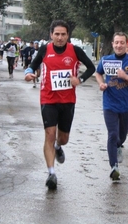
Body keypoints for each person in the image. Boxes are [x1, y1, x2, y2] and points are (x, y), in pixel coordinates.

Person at [24, 20, 95, 190]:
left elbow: (91, 68)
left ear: (68, 35)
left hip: (67, 100)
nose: (60, 37)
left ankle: (58, 146)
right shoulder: (44, 50)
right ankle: (51, 173)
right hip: (48, 98)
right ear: (51, 35)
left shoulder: (75, 51)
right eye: (57, 34)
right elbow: (32, 66)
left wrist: (80, 79)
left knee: (63, 138)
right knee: (49, 133)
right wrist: (28, 74)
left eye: (63, 34)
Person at [95, 32, 128, 181]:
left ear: (125, 44)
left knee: (121, 137)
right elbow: (98, 73)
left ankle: (118, 147)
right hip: (110, 103)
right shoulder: (106, 60)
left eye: (122, 43)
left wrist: (126, 77)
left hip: (127, 105)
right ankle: (114, 167)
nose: (119, 45)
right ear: (112, 44)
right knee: (112, 134)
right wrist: (101, 83)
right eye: (116, 43)